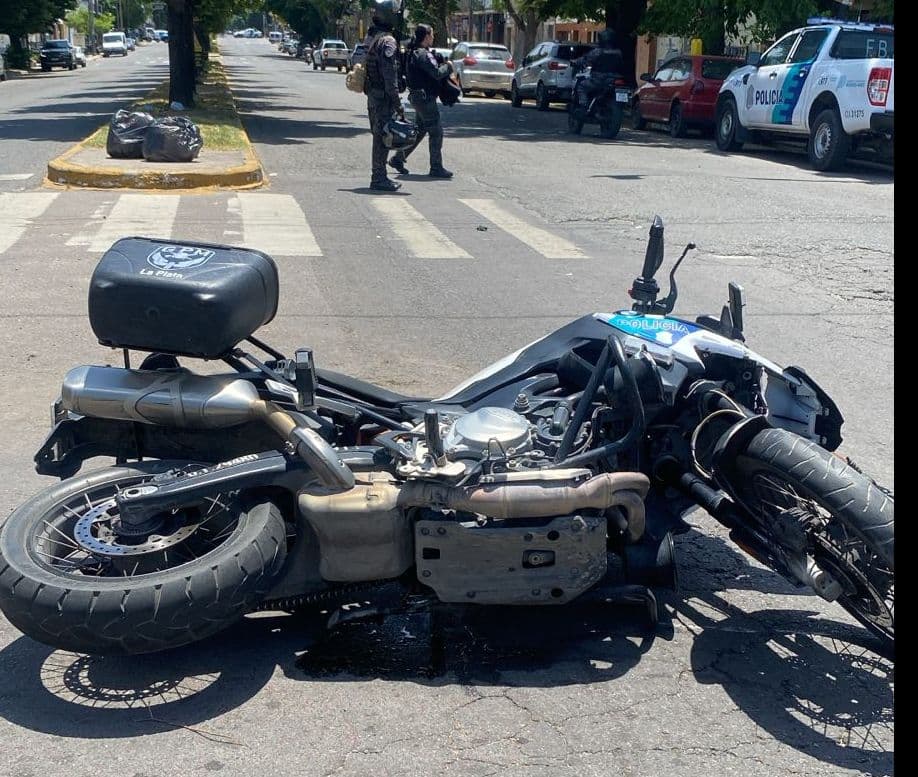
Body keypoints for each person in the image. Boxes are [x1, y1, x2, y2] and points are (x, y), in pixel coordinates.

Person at [388, 24, 454, 179]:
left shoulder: (414, 52)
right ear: (426, 36)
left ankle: (398, 158)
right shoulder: (422, 54)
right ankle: (436, 167)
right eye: (431, 35)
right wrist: (448, 67)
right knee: (436, 131)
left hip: (418, 97)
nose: (433, 37)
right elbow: (436, 73)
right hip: (424, 99)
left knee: (419, 130)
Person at [363, 0, 404, 192]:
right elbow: (390, 77)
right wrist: (398, 103)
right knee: (383, 138)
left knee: (378, 136)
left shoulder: (372, 37)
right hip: (383, 99)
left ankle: (378, 175)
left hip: (373, 95)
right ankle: (379, 177)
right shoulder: (387, 41)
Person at [571, 28, 624, 105]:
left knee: (581, 87)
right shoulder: (618, 52)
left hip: (599, 79)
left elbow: (585, 59)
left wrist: (575, 62)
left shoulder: (598, 52)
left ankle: (583, 107)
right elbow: (621, 64)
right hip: (615, 78)